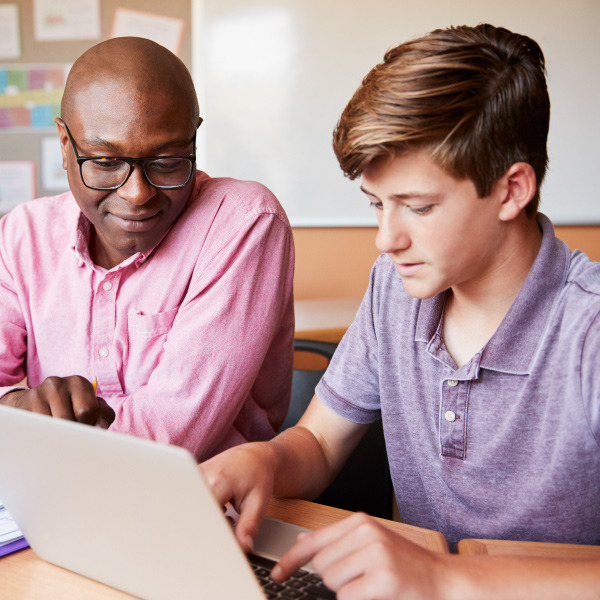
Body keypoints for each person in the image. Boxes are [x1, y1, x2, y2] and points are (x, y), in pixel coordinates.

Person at [201, 24, 600, 598]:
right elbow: (318, 444)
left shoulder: (586, 330)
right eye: (375, 206)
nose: (386, 239)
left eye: (417, 207)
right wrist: (262, 460)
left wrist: (444, 577)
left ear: (512, 190)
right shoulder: (396, 290)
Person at [0, 37, 295, 462]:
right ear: (66, 145)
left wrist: (26, 433)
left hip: (206, 508)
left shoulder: (244, 221)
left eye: (168, 161)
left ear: (194, 140)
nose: (137, 194)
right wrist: (17, 406)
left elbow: (168, 439)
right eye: (104, 162)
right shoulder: (21, 236)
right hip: (48, 497)